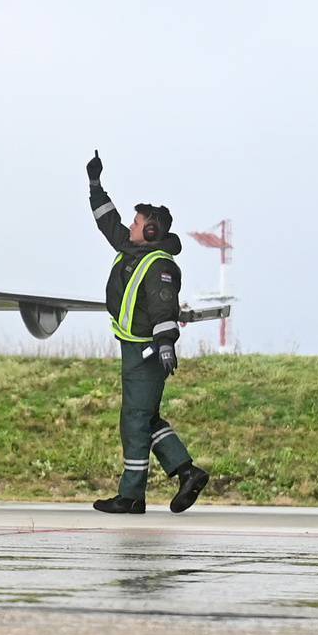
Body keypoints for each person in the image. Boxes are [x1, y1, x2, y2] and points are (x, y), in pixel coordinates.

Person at [86, 151, 211, 514]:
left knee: (134, 421)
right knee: (148, 419)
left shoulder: (159, 266)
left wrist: (165, 344)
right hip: (135, 350)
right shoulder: (133, 249)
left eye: (137, 221)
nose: (131, 225)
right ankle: (187, 471)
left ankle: (131, 496)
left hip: (146, 353)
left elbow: (163, 308)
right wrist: (95, 184)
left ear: (152, 230)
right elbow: (107, 222)